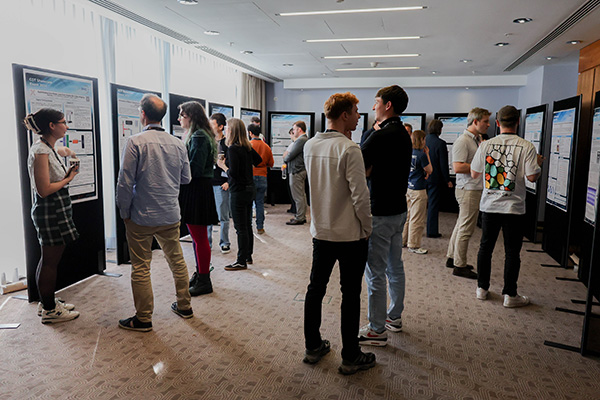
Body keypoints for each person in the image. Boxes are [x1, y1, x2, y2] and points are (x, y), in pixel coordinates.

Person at [303, 92, 374, 375]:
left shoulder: (310, 145)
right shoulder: (349, 149)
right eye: (356, 112)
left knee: (315, 290)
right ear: (344, 115)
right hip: (350, 236)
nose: (358, 116)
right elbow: (360, 196)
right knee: (350, 294)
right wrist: (367, 228)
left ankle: (312, 346)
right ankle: (350, 356)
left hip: (321, 231)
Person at [116, 94, 193, 332]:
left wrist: (123, 212)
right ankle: (185, 306)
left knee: (140, 266)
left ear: (143, 114)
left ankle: (144, 318)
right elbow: (186, 179)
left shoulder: (135, 141)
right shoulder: (178, 143)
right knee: (177, 260)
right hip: (170, 214)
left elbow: (125, 183)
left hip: (141, 216)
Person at [471, 105, 543, 307]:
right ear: (518, 122)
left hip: (490, 205)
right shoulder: (527, 146)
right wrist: (538, 164)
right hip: (514, 207)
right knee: (512, 251)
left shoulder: (486, 145)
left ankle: (482, 289)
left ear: (497, 123)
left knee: (486, 247)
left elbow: (475, 173)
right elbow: (531, 176)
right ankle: (510, 295)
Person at [358, 85, 412, 347]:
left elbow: (358, 159)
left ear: (387, 105)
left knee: (376, 272)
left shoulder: (380, 135)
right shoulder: (403, 133)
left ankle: (377, 329)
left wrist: (371, 132)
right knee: (395, 266)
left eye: (376, 102)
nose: (373, 107)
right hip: (399, 209)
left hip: (379, 211)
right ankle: (394, 317)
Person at [25, 108, 80, 324]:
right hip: (51, 210)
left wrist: (71, 156)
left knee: (48, 260)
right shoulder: (41, 150)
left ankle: (46, 301)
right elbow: (44, 189)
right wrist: (69, 178)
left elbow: (64, 151)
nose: (66, 126)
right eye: (63, 122)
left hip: (55, 209)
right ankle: (49, 309)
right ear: (51, 126)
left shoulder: (48, 147)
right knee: (49, 262)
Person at [178, 101, 219, 296]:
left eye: (182, 115)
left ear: (191, 117)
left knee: (199, 237)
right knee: (197, 237)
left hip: (197, 189)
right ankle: (201, 273)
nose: (179, 119)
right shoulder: (199, 135)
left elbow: (193, 169)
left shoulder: (199, 136)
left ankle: (204, 279)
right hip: (198, 188)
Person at [446, 108, 491, 279]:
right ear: (475, 122)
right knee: (466, 228)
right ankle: (459, 265)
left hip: (472, 188)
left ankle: (452, 257)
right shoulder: (463, 141)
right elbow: (457, 167)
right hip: (468, 190)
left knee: (461, 225)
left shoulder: (476, 139)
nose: (488, 124)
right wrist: (481, 166)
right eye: (485, 121)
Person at [217, 118, 262, 270]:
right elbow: (259, 160)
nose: (225, 131)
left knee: (240, 227)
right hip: (250, 189)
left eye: (228, 128)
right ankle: (248, 255)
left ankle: (241, 260)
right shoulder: (246, 147)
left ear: (233, 131)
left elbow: (233, 174)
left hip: (238, 191)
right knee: (247, 225)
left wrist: (223, 166)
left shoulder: (233, 149)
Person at [402, 129, 433, 254]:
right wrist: (428, 154)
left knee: (408, 216)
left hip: (408, 187)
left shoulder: (407, 152)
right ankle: (414, 245)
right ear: (421, 140)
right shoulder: (422, 155)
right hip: (419, 189)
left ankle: (403, 240)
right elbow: (430, 170)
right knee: (417, 218)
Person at [207, 113, 231, 254]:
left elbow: (232, 165)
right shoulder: (208, 142)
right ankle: (207, 243)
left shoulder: (227, 144)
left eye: (212, 124)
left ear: (221, 126)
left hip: (221, 183)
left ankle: (225, 242)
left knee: (223, 216)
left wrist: (228, 181)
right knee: (207, 216)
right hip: (207, 183)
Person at [425, 119, 452, 238]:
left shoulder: (423, 140)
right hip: (434, 179)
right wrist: (448, 180)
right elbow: (443, 165)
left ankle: (413, 232)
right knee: (433, 205)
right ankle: (431, 231)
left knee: (418, 206)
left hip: (421, 178)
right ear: (439, 129)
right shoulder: (440, 143)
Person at [248, 123, 274, 234]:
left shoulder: (248, 145)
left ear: (250, 133)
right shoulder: (266, 146)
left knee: (249, 203)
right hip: (263, 176)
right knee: (259, 203)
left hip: (250, 176)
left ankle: (248, 226)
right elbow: (271, 163)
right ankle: (260, 227)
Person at [283, 121, 308, 225]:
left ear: (299, 129)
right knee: (300, 195)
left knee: (298, 196)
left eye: (294, 129)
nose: (293, 131)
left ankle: (300, 217)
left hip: (297, 171)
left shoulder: (301, 140)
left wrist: (285, 156)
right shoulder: (302, 140)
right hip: (298, 170)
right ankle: (301, 215)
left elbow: (289, 156)